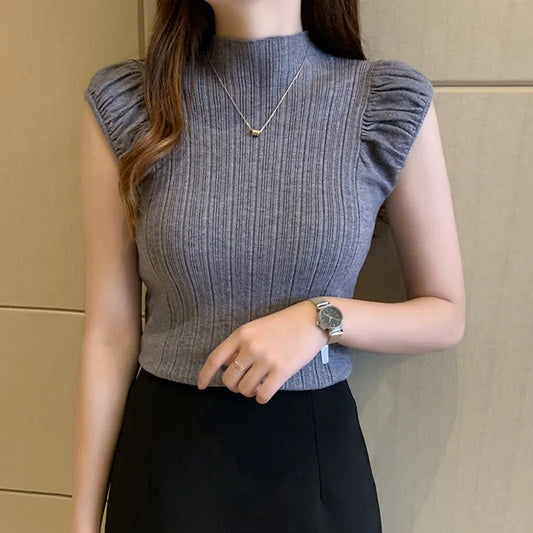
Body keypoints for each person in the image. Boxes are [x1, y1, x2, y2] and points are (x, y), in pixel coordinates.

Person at [71, 1, 465, 532]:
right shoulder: (129, 104)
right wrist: (81, 520)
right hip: (166, 467)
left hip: (315, 472)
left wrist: (320, 319)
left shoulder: (384, 103)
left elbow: (445, 315)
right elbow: (110, 337)